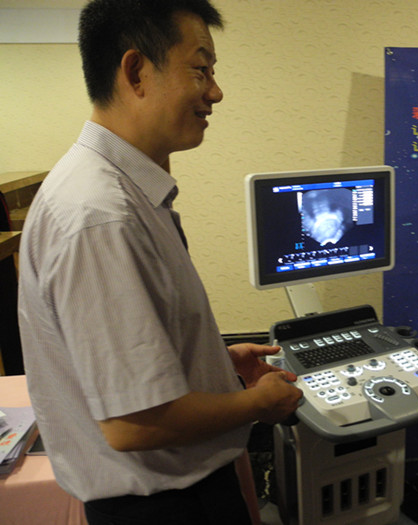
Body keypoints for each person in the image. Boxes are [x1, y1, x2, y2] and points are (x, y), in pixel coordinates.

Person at [17, 1, 303, 524]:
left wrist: (212, 364)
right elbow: (135, 424)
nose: (215, 92)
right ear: (136, 72)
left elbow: (121, 361)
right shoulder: (100, 216)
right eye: (200, 69)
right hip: (165, 508)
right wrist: (259, 403)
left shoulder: (122, 194)